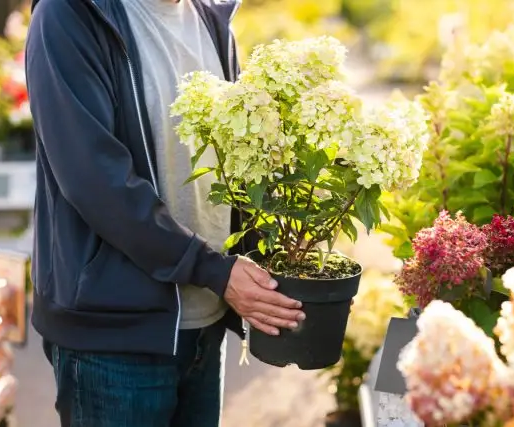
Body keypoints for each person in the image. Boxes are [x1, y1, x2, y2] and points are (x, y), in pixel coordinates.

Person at [25, 0, 306, 426]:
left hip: (204, 324)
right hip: (114, 343)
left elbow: (234, 159)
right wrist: (212, 269)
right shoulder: (71, 13)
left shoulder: (212, 21)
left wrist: (279, 251)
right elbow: (95, 179)